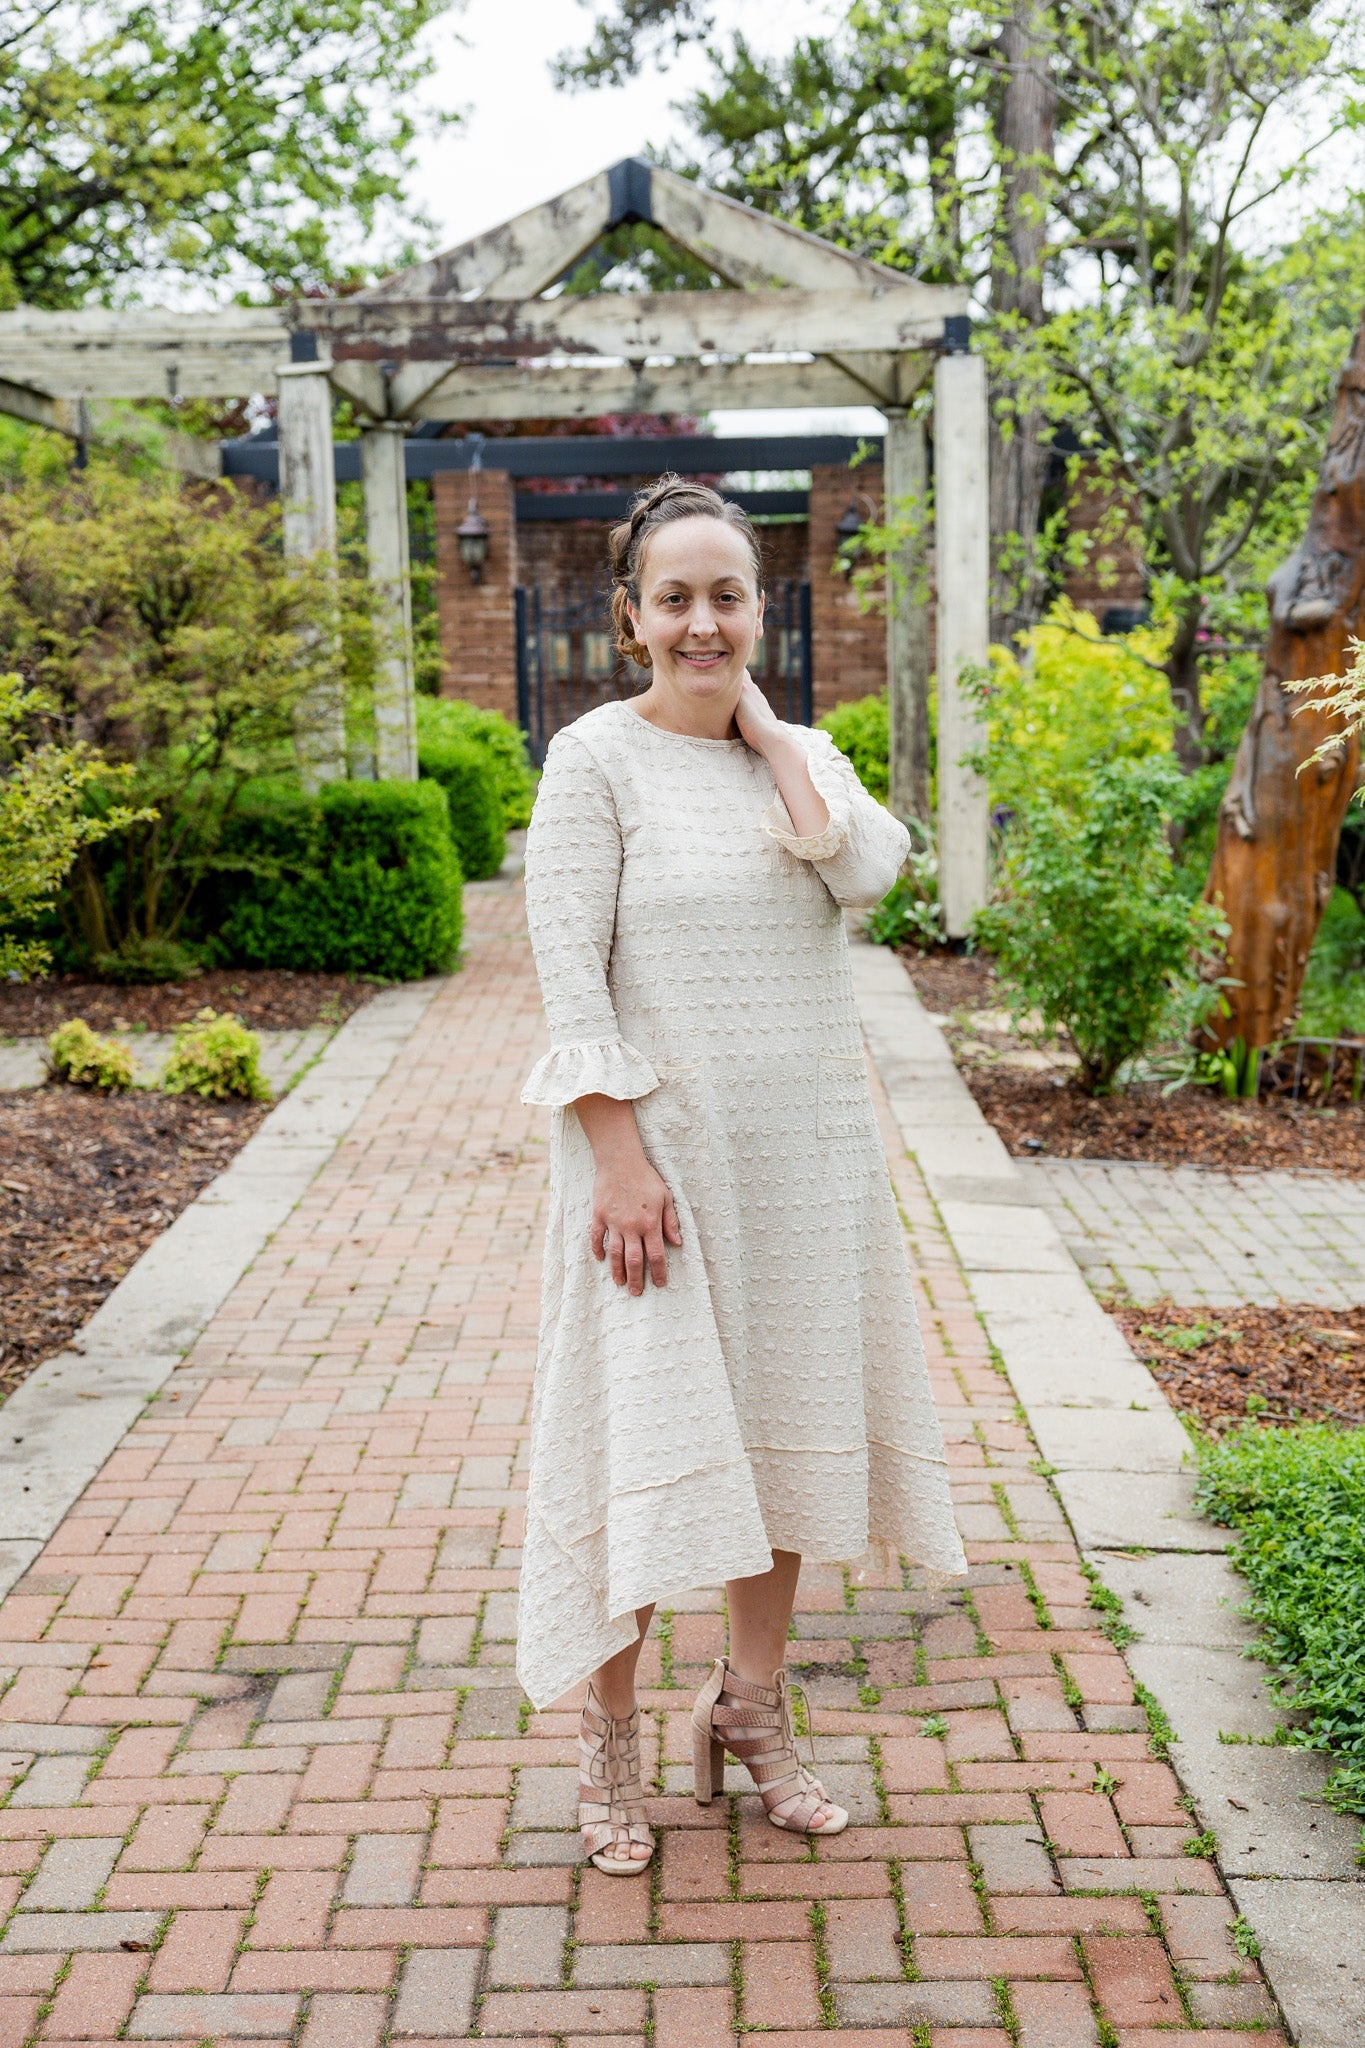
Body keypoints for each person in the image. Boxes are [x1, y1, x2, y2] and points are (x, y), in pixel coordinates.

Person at [518, 475, 966, 1875]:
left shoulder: (804, 754)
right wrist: (617, 1156)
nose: (700, 622)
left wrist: (772, 741)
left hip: (805, 1167)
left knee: (775, 1444)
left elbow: (871, 873)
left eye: (726, 596)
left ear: (758, 611)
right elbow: (565, 981)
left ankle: (751, 1712)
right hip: (658, 1175)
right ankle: (608, 1738)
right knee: (646, 1446)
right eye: (674, 598)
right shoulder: (591, 759)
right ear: (628, 615)